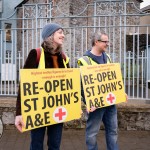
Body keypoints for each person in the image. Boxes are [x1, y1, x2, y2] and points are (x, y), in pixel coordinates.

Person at [15, 23, 69, 150]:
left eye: (63, 33)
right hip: (38, 110)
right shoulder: (36, 54)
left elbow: (68, 85)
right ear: (50, 36)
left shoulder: (64, 57)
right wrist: (19, 113)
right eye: (60, 32)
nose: (63, 35)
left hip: (57, 109)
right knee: (36, 145)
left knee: (55, 146)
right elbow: (24, 85)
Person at [78, 32, 124, 150]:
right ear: (96, 42)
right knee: (92, 133)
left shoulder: (107, 57)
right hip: (95, 104)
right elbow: (82, 86)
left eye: (107, 41)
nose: (107, 44)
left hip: (110, 103)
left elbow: (112, 79)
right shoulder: (84, 60)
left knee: (113, 131)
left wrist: (120, 92)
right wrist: (87, 101)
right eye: (105, 41)